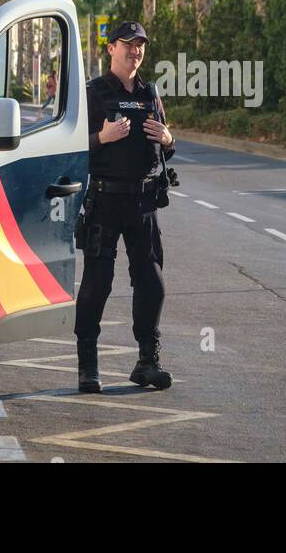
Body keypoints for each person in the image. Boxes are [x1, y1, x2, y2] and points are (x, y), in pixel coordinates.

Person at [74, 21, 175, 393]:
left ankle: (147, 361)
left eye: (141, 46)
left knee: (152, 282)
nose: (135, 51)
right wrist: (102, 137)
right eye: (128, 44)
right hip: (105, 199)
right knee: (97, 283)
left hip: (144, 200)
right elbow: (73, 148)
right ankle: (88, 365)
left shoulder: (150, 92)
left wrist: (168, 138)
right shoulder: (94, 92)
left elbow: (165, 142)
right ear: (111, 48)